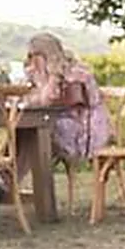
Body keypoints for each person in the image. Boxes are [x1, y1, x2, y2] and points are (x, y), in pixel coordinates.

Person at [19, 33, 112, 179]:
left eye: (32, 56)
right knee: (22, 126)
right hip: (61, 125)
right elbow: (30, 100)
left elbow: (47, 102)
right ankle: (4, 178)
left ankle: (8, 180)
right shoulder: (45, 74)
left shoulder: (74, 74)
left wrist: (46, 80)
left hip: (84, 134)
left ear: (44, 54)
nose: (29, 60)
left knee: (32, 130)